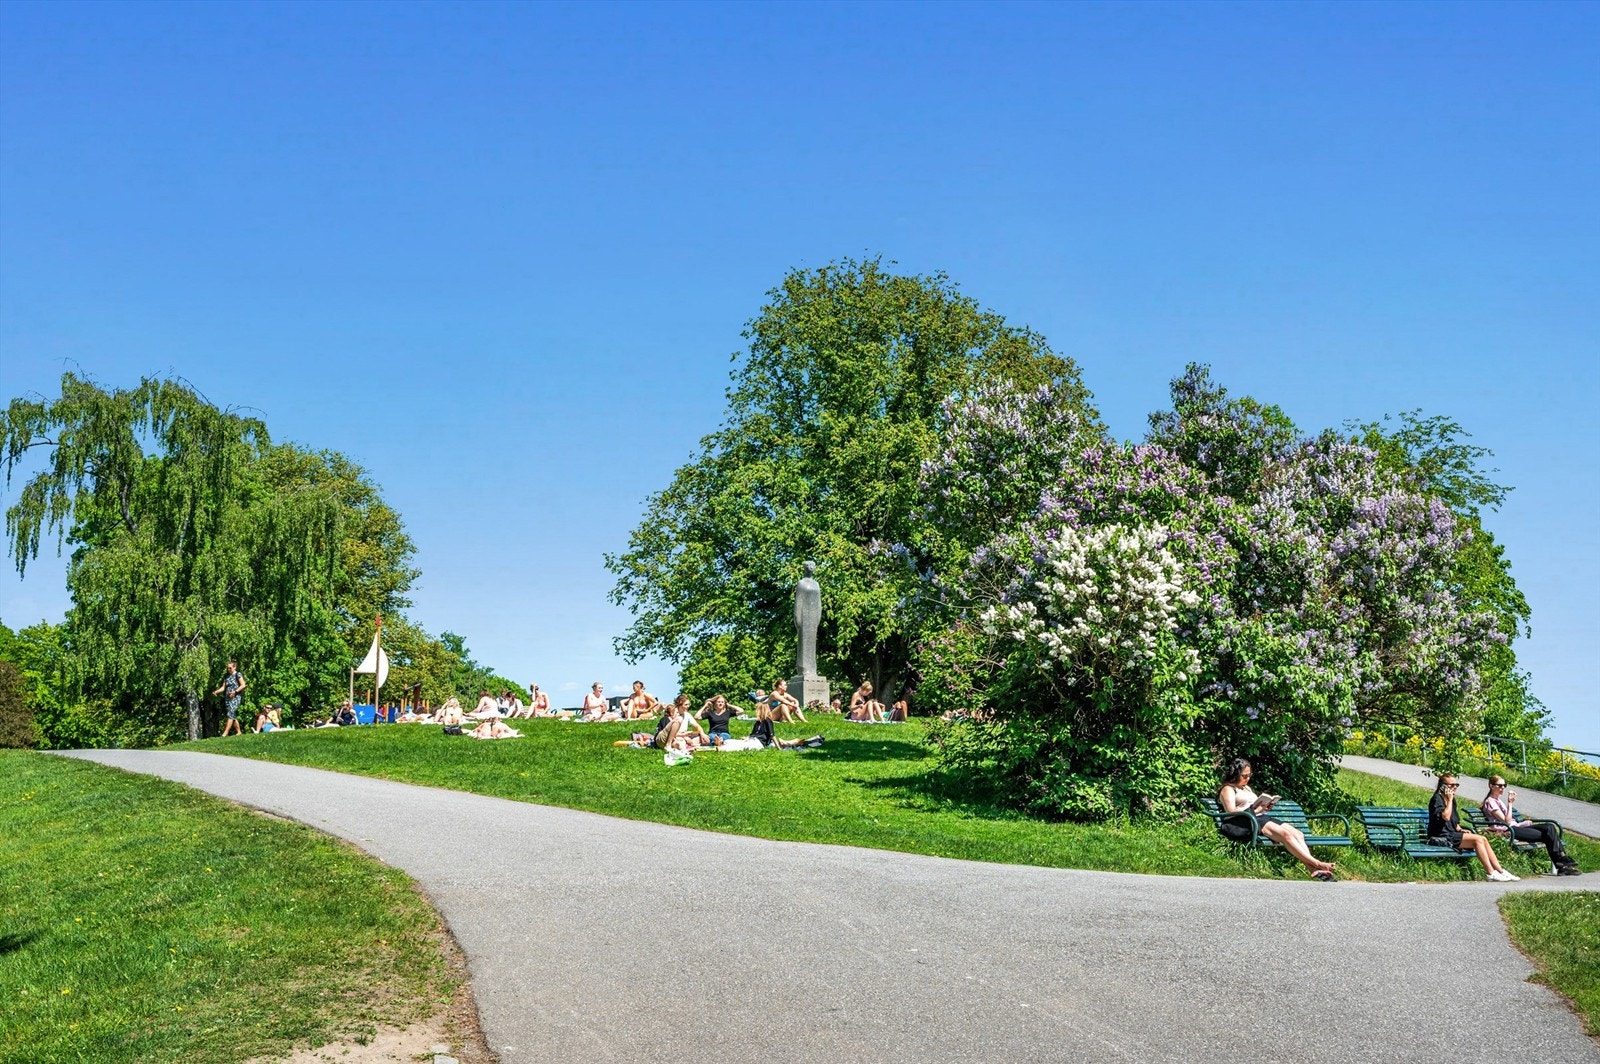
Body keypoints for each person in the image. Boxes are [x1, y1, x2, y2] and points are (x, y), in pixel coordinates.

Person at [1217, 758, 1338, 881]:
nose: (1247, 779)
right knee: (1286, 835)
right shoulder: (1228, 789)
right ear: (1235, 774)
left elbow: (1254, 807)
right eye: (1244, 776)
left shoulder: (1246, 788)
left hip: (1260, 816)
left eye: (1249, 775)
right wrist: (1255, 810)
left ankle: (1313, 869)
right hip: (1247, 820)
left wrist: (1265, 806)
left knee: (1298, 834)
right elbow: (1230, 811)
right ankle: (1317, 864)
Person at [1429, 774, 1518, 882]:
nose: (1455, 787)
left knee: (1483, 839)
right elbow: (1446, 817)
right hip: (1440, 837)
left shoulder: (1452, 800)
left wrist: (1459, 829)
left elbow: (1454, 821)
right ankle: (1490, 873)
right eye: (1451, 785)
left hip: (1451, 834)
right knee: (1478, 840)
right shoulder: (1437, 799)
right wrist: (1450, 800)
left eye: (1456, 785)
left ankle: (1500, 870)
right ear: (1443, 786)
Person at [1480, 777, 1577, 875]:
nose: (1503, 788)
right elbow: (1507, 822)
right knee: (1547, 835)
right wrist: (1510, 804)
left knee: (1550, 827)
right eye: (1500, 786)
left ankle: (1562, 858)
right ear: (1491, 786)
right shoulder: (1490, 802)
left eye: (1504, 785)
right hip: (1509, 830)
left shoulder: (1498, 800)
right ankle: (1562, 865)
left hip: (1516, 827)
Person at [213, 660, 247, 737]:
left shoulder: (238, 674)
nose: (228, 670)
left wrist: (235, 692)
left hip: (236, 697)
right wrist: (216, 691)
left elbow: (243, 685)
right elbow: (224, 687)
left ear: (234, 667)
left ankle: (225, 733)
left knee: (230, 713)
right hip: (227, 698)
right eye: (227, 668)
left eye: (230, 668)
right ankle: (239, 732)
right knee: (232, 714)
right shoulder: (227, 676)